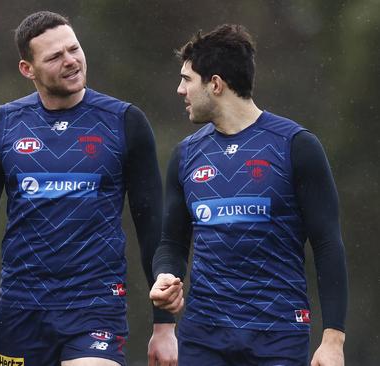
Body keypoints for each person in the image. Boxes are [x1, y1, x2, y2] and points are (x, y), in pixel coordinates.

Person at [0, 11, 174, 366]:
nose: (71, 61)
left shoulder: (125, 122)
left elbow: (151, 222)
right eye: (54, 56)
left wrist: (164, 326)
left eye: (74, 49)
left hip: (95, 302)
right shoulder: (0, 126)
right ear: (27, 69)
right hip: (22, 307)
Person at [149, 24, 348, 365]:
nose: (179, 89)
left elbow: (328, 244)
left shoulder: (296, 146)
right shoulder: (185, 156)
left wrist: (333, 340)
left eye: (187, 79)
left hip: (278, 335)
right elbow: (172, 243)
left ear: (215, 84)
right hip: (203, 335)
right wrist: (166, 274)